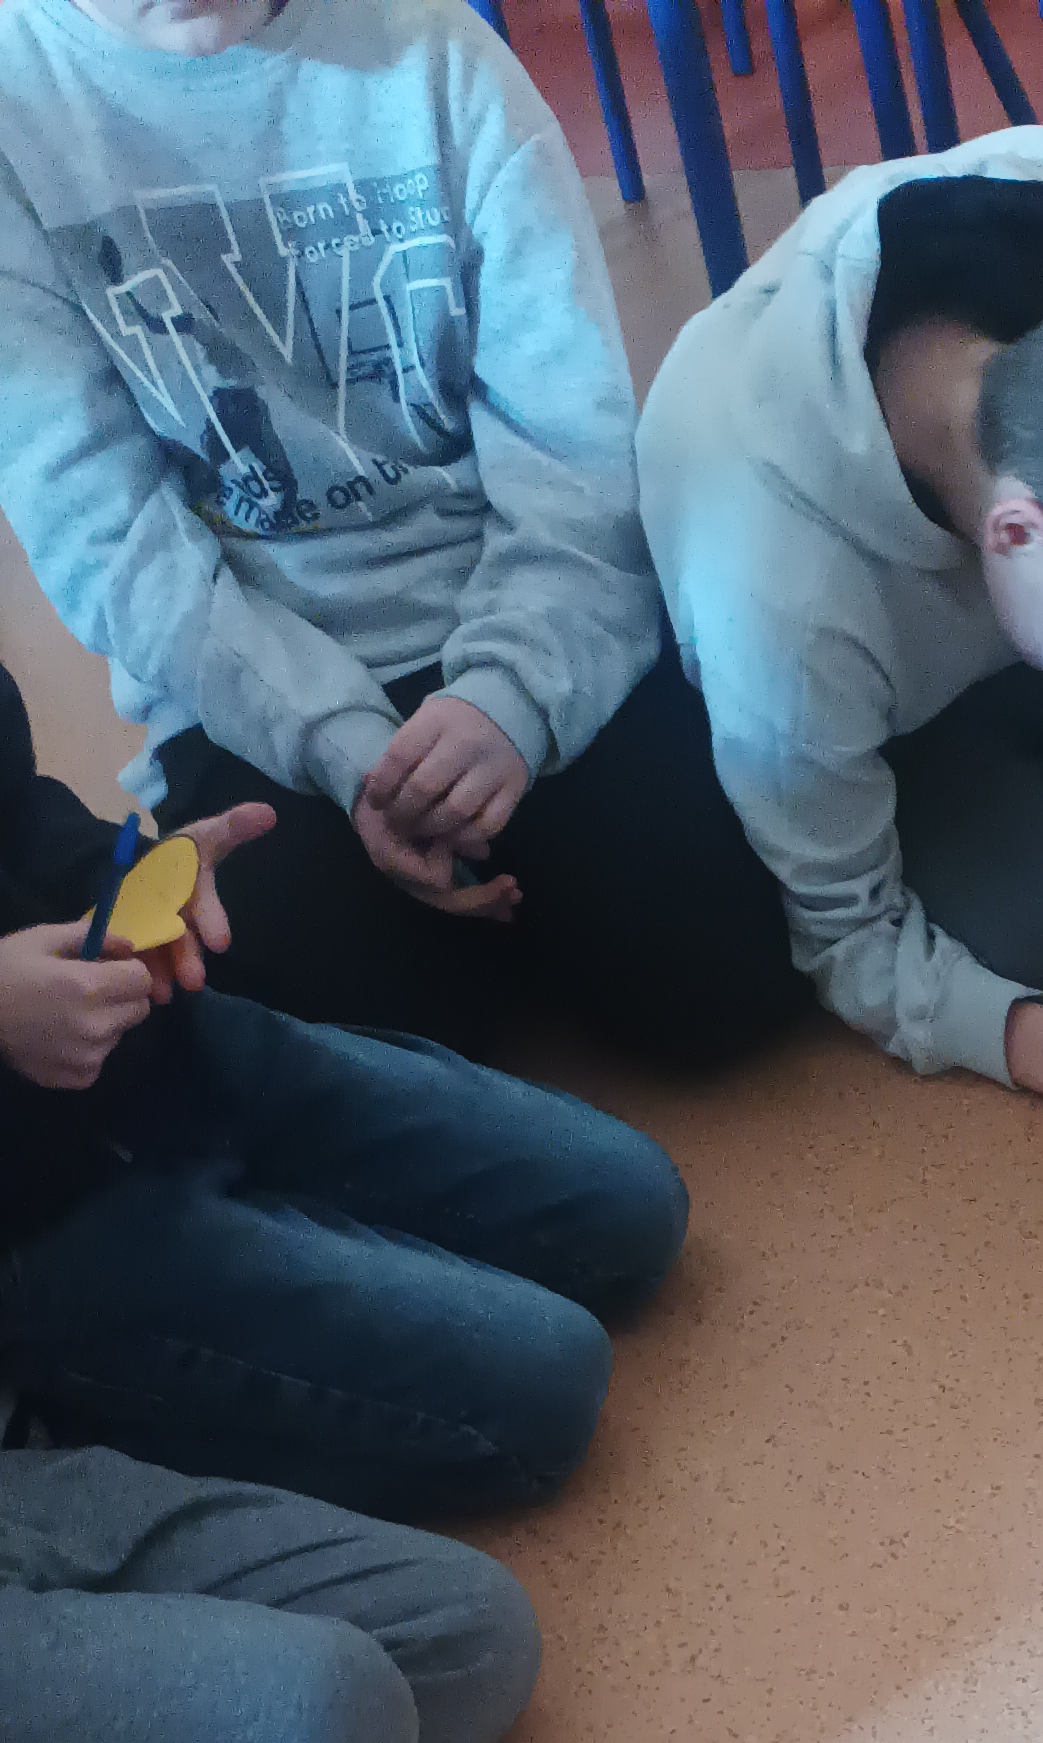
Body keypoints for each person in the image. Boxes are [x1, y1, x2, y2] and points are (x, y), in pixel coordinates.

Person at [0, 0, 803, 1064]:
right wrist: (346, 750)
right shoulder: (16, 104)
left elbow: (574, 451)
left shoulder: (443, 56)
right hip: (256, 691)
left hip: (511, 604)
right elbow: (114, 548)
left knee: (723, 981)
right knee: (345, 1028)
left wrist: (510, 696)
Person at [0, 681, 606, 1743]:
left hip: (108, 1104)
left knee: (470, 1641)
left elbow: (18, 814)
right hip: (49, 1222)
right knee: (331, 1722)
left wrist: (122, 878)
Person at [639, 134, 1043, 1148]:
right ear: (1015, 532)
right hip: (866, 685)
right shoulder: (779, 603)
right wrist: (1040, 1048)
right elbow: (843, 928)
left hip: (1016, 614)